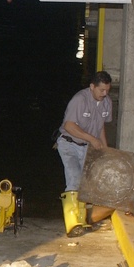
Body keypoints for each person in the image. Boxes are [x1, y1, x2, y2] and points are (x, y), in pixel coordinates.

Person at [56, 70, 113, 236]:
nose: (104, 94)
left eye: (107, 90)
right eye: (101, 90)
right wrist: (92, 139)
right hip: (69, 144)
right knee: (73, 178)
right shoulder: (79, 100)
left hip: (87, 146)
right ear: (92, 86)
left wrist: (104, 146)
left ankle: (83, 220)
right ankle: (72, 224)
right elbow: (69, 126)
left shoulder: (106, 102)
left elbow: (101, 125)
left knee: (86, 183)